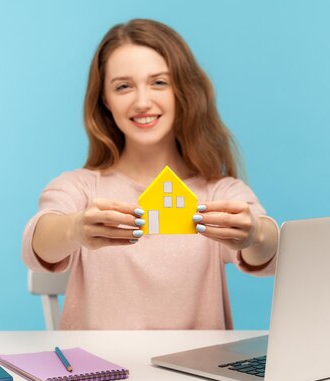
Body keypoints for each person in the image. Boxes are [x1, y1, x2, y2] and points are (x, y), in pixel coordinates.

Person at [22, 18, 278, 330]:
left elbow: (270, 251)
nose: (142, 102)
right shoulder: (81, 188)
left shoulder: (218, 193)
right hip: (101, 374)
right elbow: (38, 242)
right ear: (105, 99)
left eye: (159, 82)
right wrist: (75, 229)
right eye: (123, 86)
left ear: (182, 90)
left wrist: (254, 234)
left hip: (194, 375)